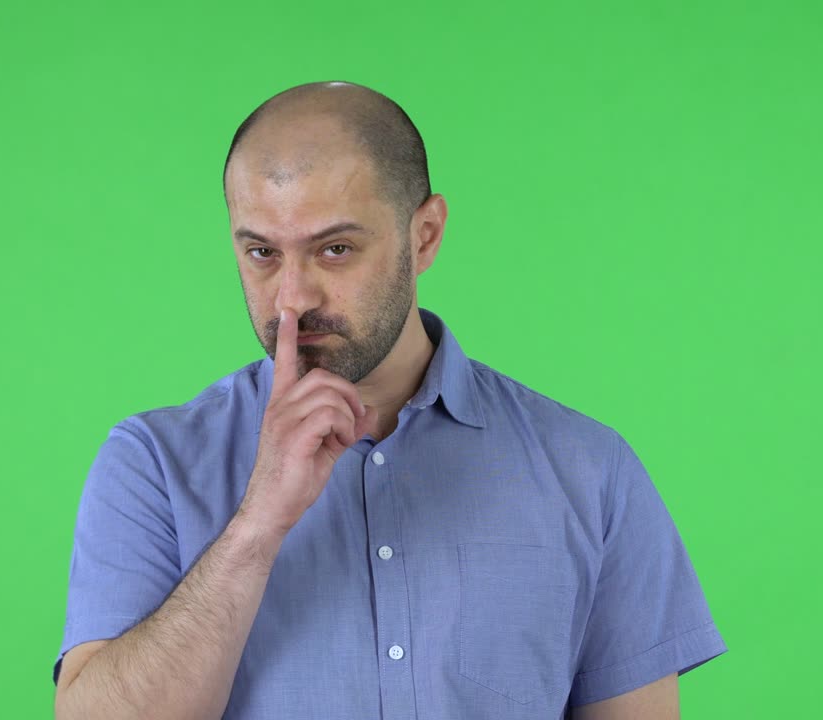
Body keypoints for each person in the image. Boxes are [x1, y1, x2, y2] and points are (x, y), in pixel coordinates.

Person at [52, 80, 726, 720]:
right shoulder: (152, 465)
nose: (293, 297)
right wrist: (257, 525)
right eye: (261, 252)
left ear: (424, 235)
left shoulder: (590, 471)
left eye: (335, 249)